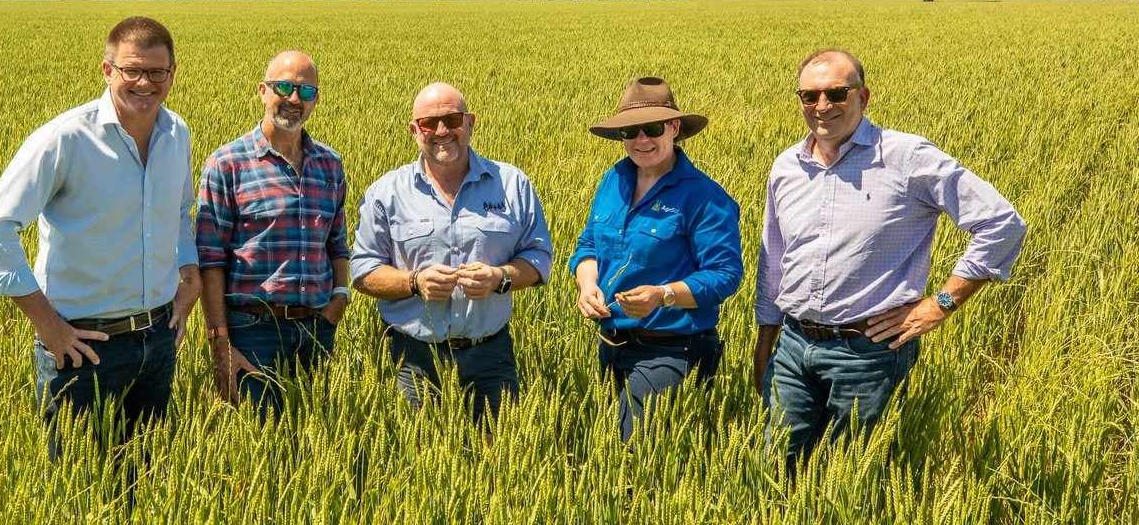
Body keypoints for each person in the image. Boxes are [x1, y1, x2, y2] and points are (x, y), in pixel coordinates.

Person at [755, 49, 1027, 463]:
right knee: (774, 465)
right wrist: (765, 341)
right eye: (810, 96)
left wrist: (942, 303)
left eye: (836, 94)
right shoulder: (787, 166)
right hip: (792, 346)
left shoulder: (906, 157)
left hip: (867, 352)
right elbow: (774, 260)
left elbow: (1001, 223)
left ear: (863, 97)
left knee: (851, 473)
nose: (822, 106)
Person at [0, 16, 201, 460]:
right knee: (76, 482)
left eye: (156, 72)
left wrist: (189, 275)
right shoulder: (66, 138)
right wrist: (48, 325)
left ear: (172, 74)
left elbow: (178, 211)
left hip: (158, 340)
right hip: (83, 348)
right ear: (107, 70)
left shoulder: (177, 133)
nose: (144, 83)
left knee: (146, 479)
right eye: (131, 70)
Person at [350, 82, 553, 425]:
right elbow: (363, 270)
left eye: (453, 120)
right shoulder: (387, 193)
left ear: (470, 122)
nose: (442, 131)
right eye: (429, 123)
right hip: (413, 359)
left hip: (490, 356)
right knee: (418, 453)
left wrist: (499, 278)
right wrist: (414, 282)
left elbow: (539, 257)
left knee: (497, 451)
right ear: (415, 131)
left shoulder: (512, 184)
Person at [569, 77, 743, 441]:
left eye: (651, 129)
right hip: (611, 343)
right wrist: (587, 285)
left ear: (674, 128)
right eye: (629, 131)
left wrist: (662, 295)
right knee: (608, 450)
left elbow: (725, 274)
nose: (641, 140)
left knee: (633, 451)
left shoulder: (704, 196)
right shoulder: (614, 180)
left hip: (672, 349)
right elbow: (588, 244)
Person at [195, 51, 349, 419]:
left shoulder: (329, 164)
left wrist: (339, 300)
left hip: (316, 328)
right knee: (256, 434)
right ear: (263, 91)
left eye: (306, 91)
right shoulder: (227, 164)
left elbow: (337, 243)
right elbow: (210, 260)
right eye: (284, 87)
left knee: (314, 437)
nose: (294, 99)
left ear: (316, 100)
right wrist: (219, 341)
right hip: (253, 331)